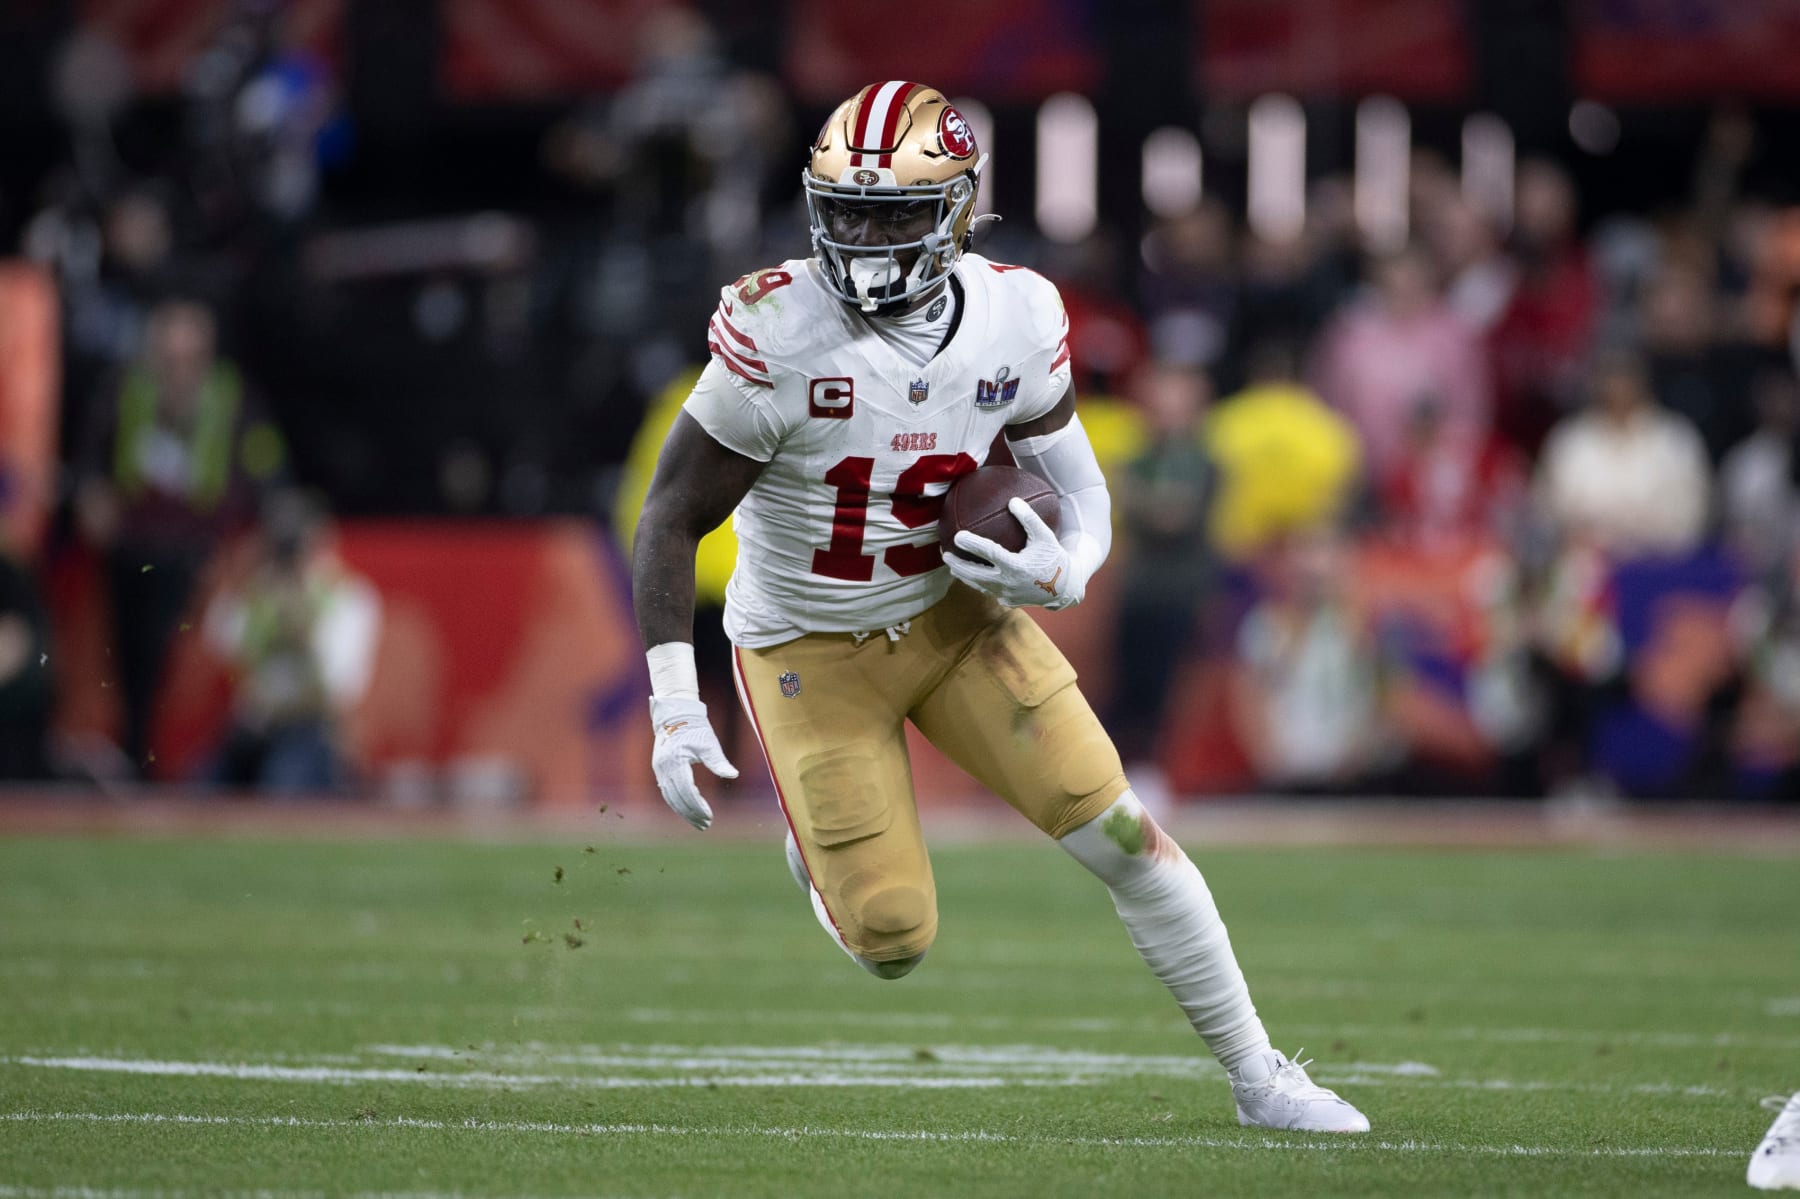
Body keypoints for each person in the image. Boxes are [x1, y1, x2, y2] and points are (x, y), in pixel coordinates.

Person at [631, 81, 1368, 1133]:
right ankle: (821, 849)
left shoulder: (1017, 314)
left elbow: (1085, 492)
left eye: (894, 212)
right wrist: (672, 695)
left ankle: (1261, 1075)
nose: (866, 235)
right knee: (892, 937)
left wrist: (1069, 566)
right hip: (809, 644)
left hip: (955, 622)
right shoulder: (774, 328)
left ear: (959, 210)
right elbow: (669, 515)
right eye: (847, 209)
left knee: (1123, 832)